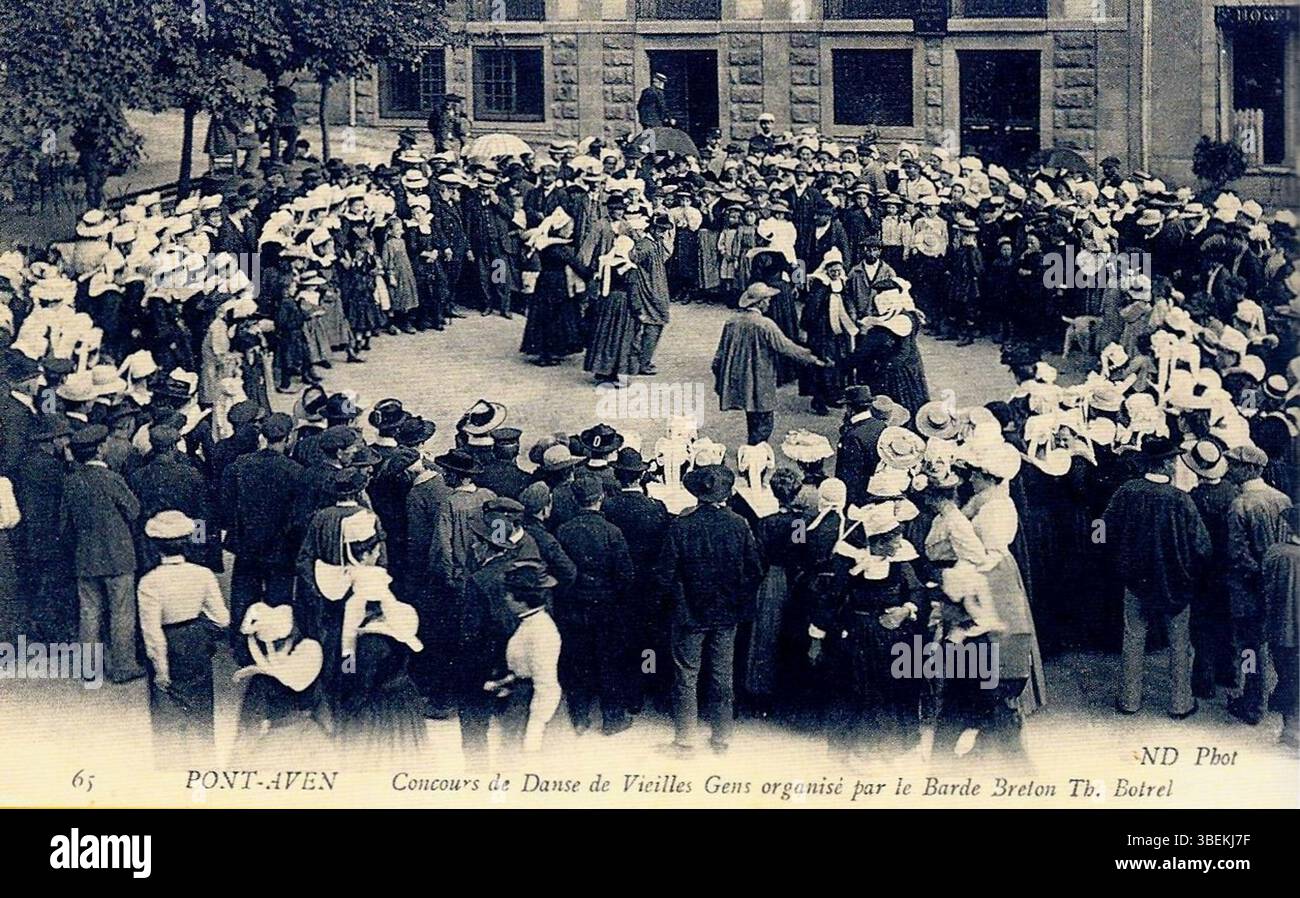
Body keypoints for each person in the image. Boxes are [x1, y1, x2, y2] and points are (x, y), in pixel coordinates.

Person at [652, 464, 764, 755]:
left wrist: (673, 600)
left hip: (689, 615)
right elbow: (754, 571)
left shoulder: (681, 525)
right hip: (726, 615)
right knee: (722, 676)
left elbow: (664, 574)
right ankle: (721, 737)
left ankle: (685, 740)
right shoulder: (739, 524)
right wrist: (737, 600)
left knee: (686, 676)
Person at [1103, 436, 1212, 719]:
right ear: (1165, 463)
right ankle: (1180, 703)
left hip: (1136, 579)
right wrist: (1191, 571)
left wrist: (1119, 558)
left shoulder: (1127, 491)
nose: (1176, 464)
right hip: (1176, 582)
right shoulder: (1181, 499)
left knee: (1134, 636)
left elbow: (1105, 528)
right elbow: (1202, 546)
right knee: (1179, 643)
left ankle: (1129, 700)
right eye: (1173, 459)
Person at [136, 510, 229, 767]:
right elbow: (222, 619)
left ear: (155, 546)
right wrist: (202, 630)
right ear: (188, 541)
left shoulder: (149, 583)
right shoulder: (203, 574)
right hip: (197, 642)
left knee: (166, 717)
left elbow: (152, 632)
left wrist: (161, 670)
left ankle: (171, 773)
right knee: (202, 710)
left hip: (169, 645)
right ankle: (204, 772)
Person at [60, 424, 144, 684]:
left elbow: (64, 524)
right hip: (118, 556)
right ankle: (123, 666)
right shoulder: (111, 479)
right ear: (99, 450)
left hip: (85, 557)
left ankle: (89, 668)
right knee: (121, 612)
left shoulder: (71, 481)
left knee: (89, 612)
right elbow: (134, 510)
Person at [554, 475, 636, 735]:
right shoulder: (613, 532)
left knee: (577, 660)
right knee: (610, 661)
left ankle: (579, 718)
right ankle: (612, 719)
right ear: (601, 498)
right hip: (606, 607)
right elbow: (625, 575)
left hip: (573, 606)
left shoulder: (564, 531)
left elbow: (559, 571)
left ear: (576, 500)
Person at [1224, 442, 1292, 724]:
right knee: (1277, 644)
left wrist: (1256, 573)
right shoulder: (1282, 499)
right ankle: (1280, 696)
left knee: (1250, 647)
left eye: (1235, 464)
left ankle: (1253, 703)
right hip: (1278, 583)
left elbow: (1237, 553)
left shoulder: (1240, 504)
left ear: (1250, 468)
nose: (1229, 468)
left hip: (1247, 587)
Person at [712, 283, 830, 445]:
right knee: (764, 423)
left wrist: (722, 379)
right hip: (761, 381)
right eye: (767, 299)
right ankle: (756, 455)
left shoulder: (732, 322)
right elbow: (787, 348)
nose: (769, 303)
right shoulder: (765, 324)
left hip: (741, 381)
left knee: (752, 418)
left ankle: (752, 451)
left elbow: (718, 358)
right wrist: (812, 359)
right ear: (759, 303)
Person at [490, 560, 564, 755]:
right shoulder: (530, 623)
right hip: (522, 697)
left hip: (535, 705)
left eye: (509, 594)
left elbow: (546, 683)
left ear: (522, 599)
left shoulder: (542, 632)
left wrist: (535, 728)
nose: (506, 598)